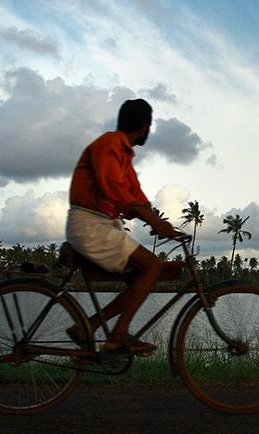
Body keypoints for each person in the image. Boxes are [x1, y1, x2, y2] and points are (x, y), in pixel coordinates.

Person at [65, 98, 180, 355]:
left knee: (143, 276)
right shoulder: (109, 145)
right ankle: (116, 337)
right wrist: (154, 221)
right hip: (90, 224)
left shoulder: (123, 153)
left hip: (102, 224)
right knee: (153, 266)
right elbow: (114, 189)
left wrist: (162, 224)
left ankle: (90, 325)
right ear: (144, 126)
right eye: (149, 126)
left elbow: (135, 196)